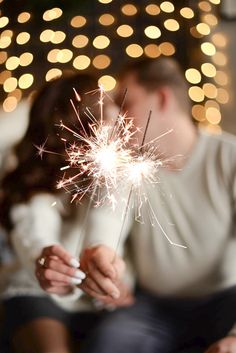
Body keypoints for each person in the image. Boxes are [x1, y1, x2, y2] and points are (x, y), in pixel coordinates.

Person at [75, 58, 236, 353]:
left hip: (227, 301)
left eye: (127, 104)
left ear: (162, 98)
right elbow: (106, 219)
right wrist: (101, 252)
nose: (117, 119)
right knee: (107, 344)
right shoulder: (126, 166)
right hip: (152, 308)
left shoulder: (228, 157)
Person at [0, 73, 133, 353]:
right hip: (36, 288)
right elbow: (33, 225)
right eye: (109, 104)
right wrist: (43, 257)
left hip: (103, 299)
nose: (120, 113)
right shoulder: (28, 169)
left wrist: (101, 251)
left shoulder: (122, 166)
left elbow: (107, 217)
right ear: (84, 121)